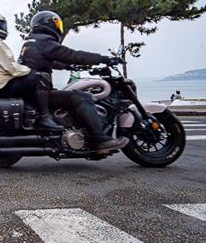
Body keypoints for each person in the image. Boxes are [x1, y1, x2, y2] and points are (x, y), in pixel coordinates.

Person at [18, 10, 129, 153]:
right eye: (57, 23)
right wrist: (104, 59)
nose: (58, 27)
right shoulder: (45, 42)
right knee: (82, 97)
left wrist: (71, 66)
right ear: (50, 24)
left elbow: (49, 62)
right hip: (39, 93)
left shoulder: (31, 42)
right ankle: (101, 140)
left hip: (32, 91)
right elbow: (72, 55)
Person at [0, 12, 64, 132]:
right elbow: (12, 69)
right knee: (40, 78)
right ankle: (44, 117)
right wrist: (30, 70)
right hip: (1, 85)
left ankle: (29, 111)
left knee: (29, 81)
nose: (3, 28)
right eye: (0, 24)